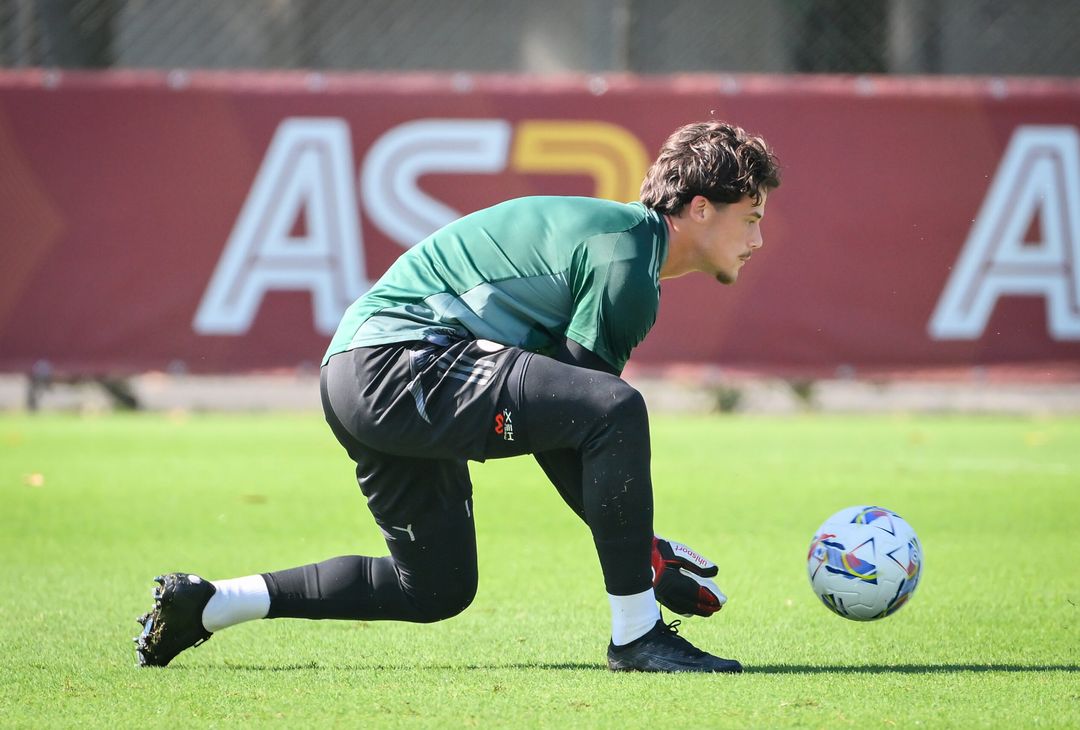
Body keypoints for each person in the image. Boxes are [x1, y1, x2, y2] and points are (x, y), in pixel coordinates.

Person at [135, 120, 781, 673]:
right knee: (617, 409)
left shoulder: (625, 249)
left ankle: (211, 602)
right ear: (700, 208)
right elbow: (587, 423)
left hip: (359, 375)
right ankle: (637, 637)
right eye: (750, 218)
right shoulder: (630, 259)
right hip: (398, 364)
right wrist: (644, 559)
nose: (756, 241)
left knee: (436, 588)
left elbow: (568, 429)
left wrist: (645, 548)